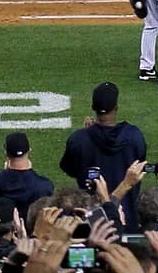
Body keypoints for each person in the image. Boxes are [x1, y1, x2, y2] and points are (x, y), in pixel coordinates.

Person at [59, 82, 147, 228]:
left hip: (92, 221)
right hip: (128, 219)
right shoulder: (134, 136)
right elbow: (139, 168)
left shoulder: (79, 139)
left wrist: (88, 134)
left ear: (93, 108)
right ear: (116, 107)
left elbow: (70, 169)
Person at [0, 131, 54, 221]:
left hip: (6, 230)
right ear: (29, 150)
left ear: (6, 153)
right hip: (33, 232)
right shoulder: (45, 185)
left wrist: (5, 174)